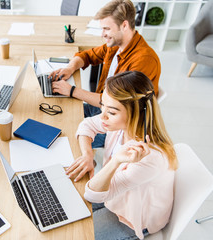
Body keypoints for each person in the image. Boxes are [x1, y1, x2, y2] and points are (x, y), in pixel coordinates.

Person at [67, 71, 177, 239]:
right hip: (114, 197)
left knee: (75, 234)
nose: (102, 115)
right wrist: (88, 155)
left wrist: (116, 160)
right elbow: (87, 124)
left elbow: (93, 193)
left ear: (136, 114)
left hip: (132, 218)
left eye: (111, 112)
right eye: (102, 105)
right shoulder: (119, 125)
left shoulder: (150, 157)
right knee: (65, 212)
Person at [50, 0, 161, 118]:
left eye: (107, 29)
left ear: (124, 25)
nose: (102, 34)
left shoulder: (144, 60)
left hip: (116, 124)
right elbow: (86, 56)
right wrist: (70, 68)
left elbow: (115, 103)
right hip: (99, 108)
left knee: (66, 126)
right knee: (56, 114)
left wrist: (72, 91)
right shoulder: (116, 45)